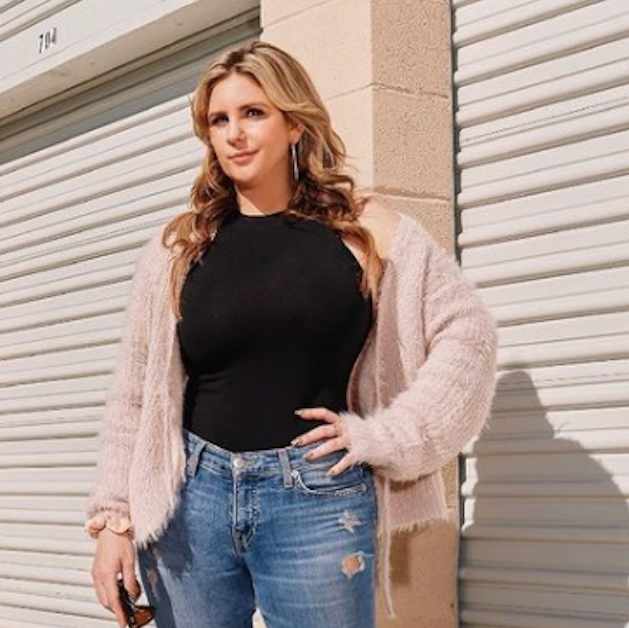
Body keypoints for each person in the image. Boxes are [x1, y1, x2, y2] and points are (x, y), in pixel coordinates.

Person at [85, 40, 499, 628]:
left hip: (316, 500)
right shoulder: (178, 246)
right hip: (190, 501)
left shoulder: (364, 230)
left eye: (253, 113)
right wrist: (113, 523)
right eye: (219, 120)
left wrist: (386, 436)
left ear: (294, 123)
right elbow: (134, 395)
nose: (234, 133)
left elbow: (470, 334)